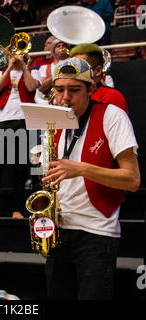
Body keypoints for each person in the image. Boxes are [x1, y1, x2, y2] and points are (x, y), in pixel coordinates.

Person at [42, 57, 140, 300]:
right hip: (59, 231)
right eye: (59, 89)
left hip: (96, 232)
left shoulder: (112, 115)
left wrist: (82, 168)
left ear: (91, 88)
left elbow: (132, 179)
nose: (65, 97)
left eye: (74, 90)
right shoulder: (52, 122)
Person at [0, 53, 40, 219]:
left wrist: (24, 67)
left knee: (20, 167)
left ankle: (16, 208)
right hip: (3, 121)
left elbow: (32, 87)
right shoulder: (0, 73)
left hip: (24, 121)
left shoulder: (33, 71)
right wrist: (10, 67)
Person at [69, 43, 128, 113]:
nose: (74, 72)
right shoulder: (68, 94)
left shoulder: (112, 96)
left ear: (98, 71)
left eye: (81, 67)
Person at [37, 38, 69, 103]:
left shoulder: (72, 65)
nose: (62, 47)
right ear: (53, 51)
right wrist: (58, 73)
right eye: (58, 46)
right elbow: (41, 87)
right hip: (50, 103)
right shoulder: (44, 67)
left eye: (64, 46)